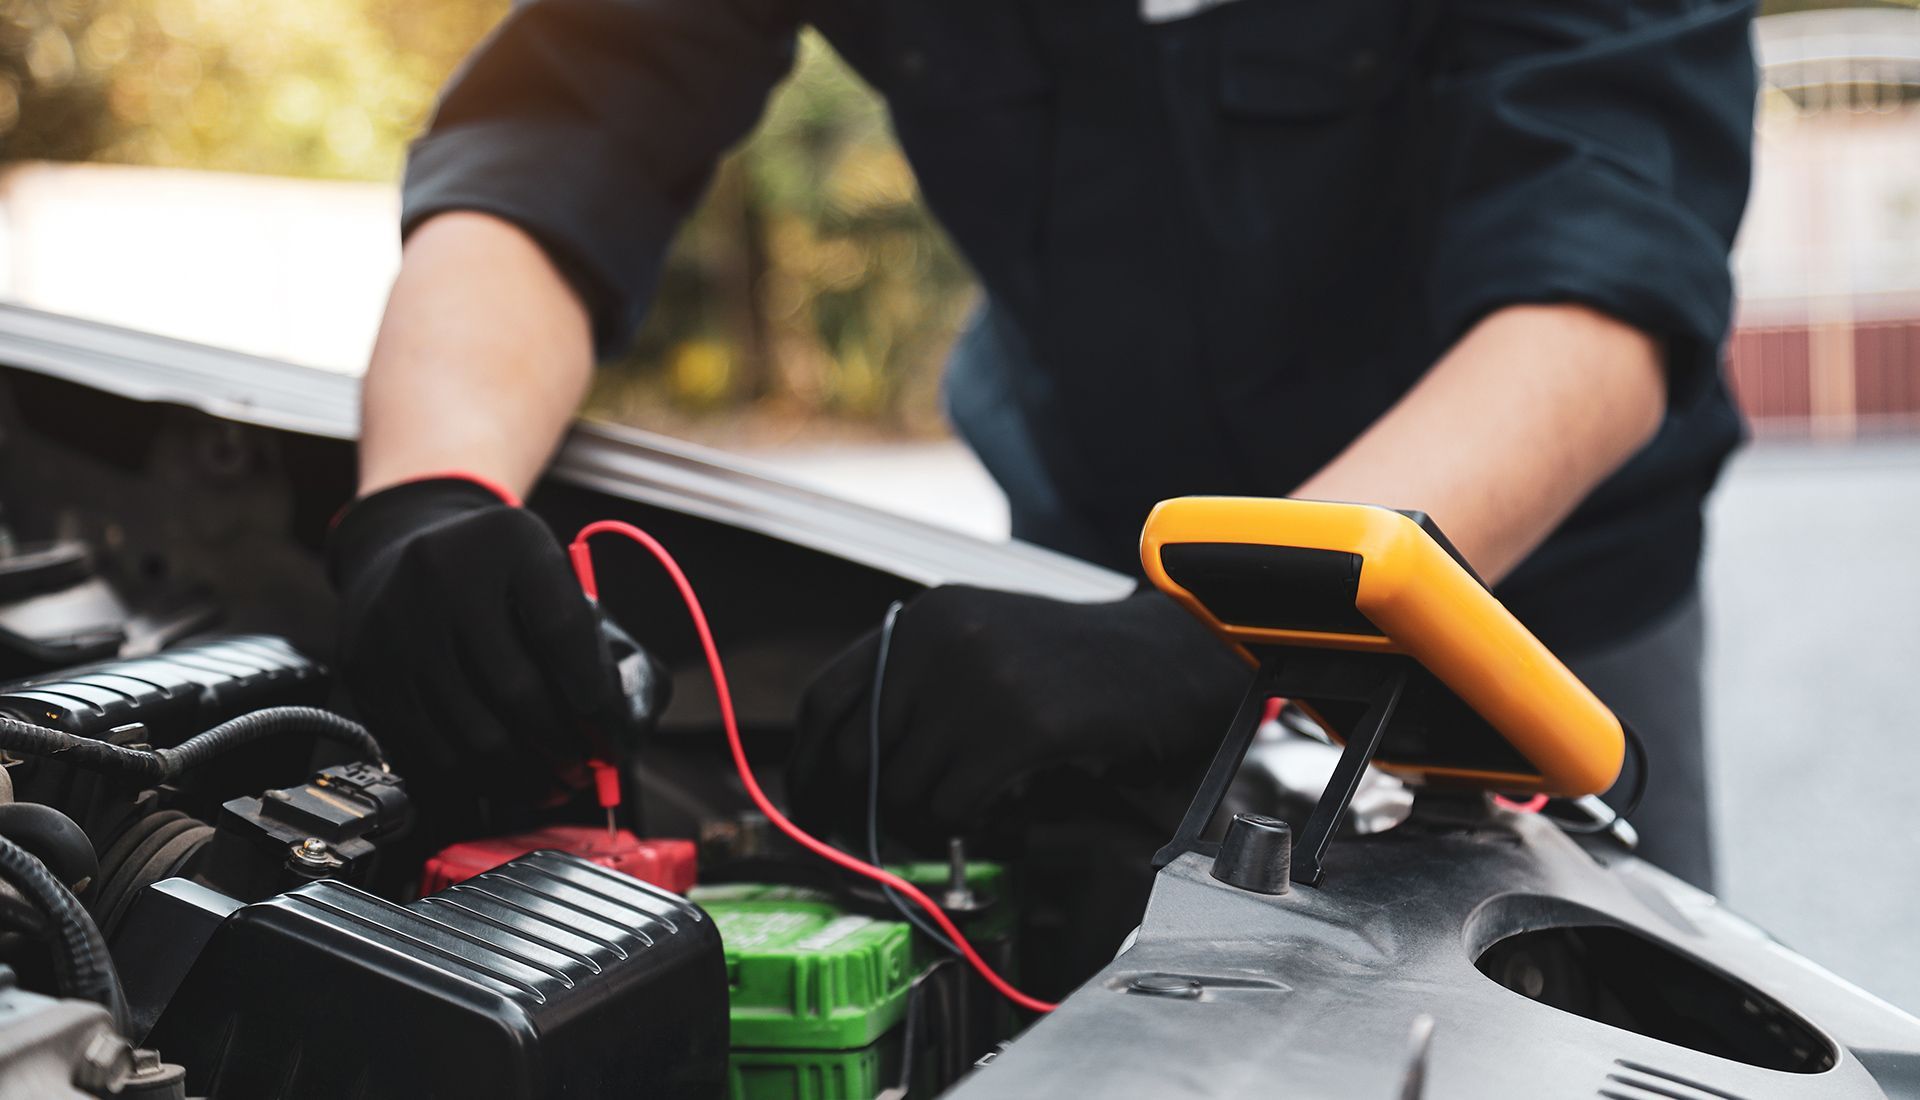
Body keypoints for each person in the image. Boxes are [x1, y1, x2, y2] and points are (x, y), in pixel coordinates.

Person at [326, 0, 1756, 898]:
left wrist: (1224, 626)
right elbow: (571, 117)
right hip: (1094, 583)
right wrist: (426, 491)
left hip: (1519, 612)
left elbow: (1602, 275)